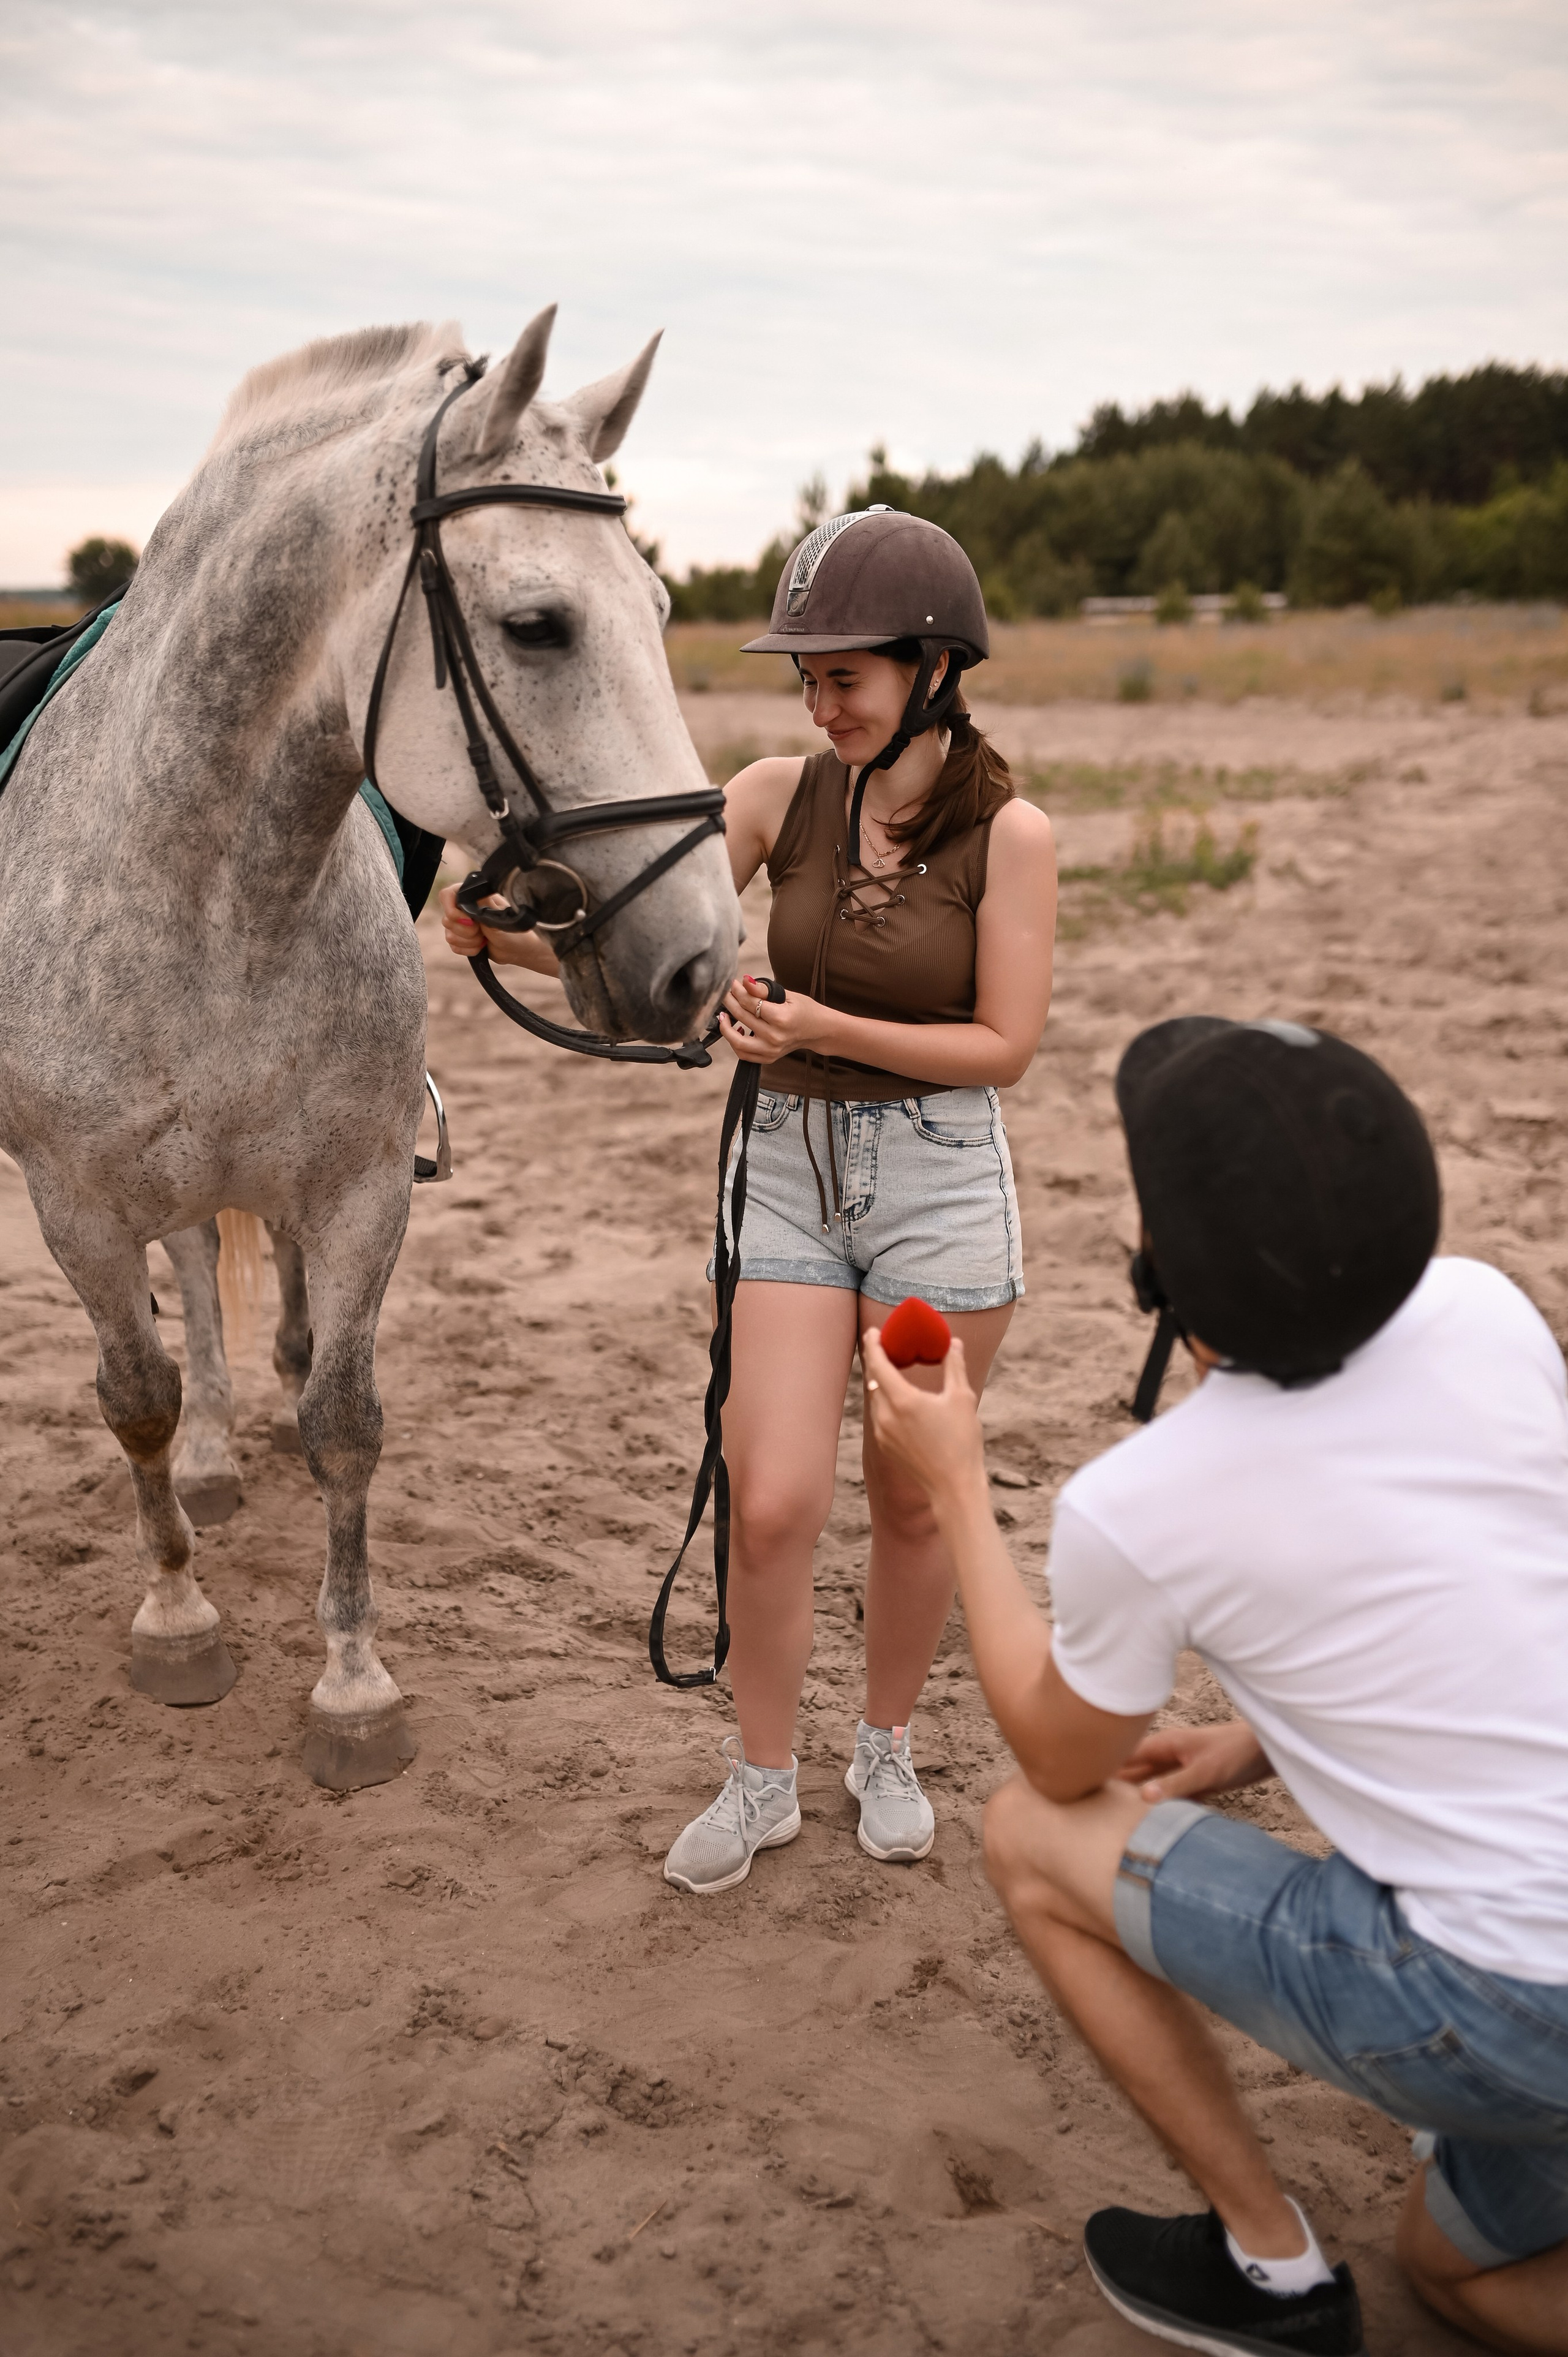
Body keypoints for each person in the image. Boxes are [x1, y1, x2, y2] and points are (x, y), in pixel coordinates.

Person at [859, 1016, 1568, 2356]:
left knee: (1024, 1835)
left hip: (1512, 2004)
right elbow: (1493, 1587)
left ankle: (1270, 2273)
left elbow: (1061, 1765)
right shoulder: (1485, 1310)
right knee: (1451, 2269)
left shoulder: (1145, 1500)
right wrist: (1250, 1743)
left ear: (1169, 1281)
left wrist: (955, 1482)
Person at [442, 507, 1056, 1895]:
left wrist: (821, 1021)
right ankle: (762, 1775)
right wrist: (511, 944)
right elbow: (644, 944)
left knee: (909, 1505)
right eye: (806, 679)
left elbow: (1002, 1047)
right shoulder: (778, 793)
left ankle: (883, 1746)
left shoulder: (1010, 835)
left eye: (842, 676)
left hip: (935, 1194)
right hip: (784, 1173)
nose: (816, 702)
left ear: (930, 666)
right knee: (769, 1498)